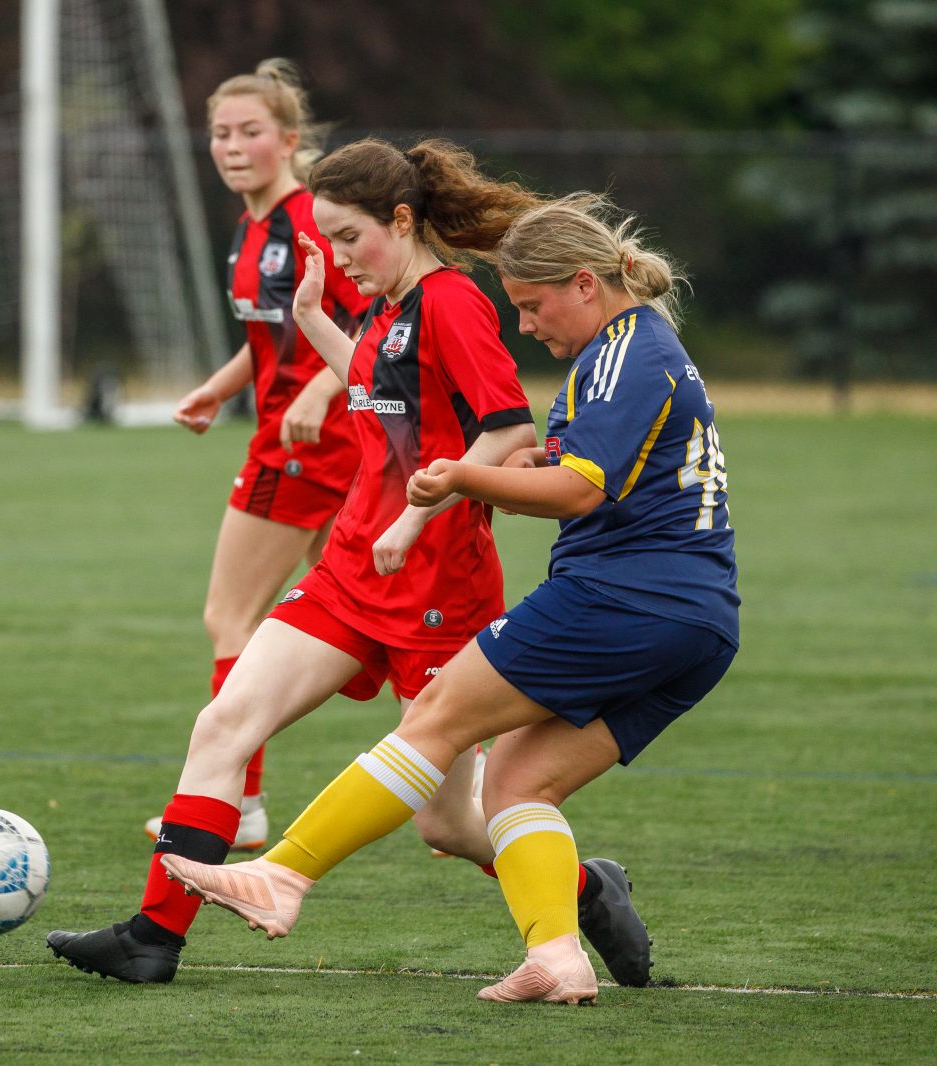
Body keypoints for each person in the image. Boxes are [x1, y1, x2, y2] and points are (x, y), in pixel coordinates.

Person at [48, 138, 646, 987]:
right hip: (348, 575)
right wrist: (317, 323)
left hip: (440, 588)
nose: (338, 257)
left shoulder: (452, 302)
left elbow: (509, 427)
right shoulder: (391, 307)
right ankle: (153, 936)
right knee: (224, 724)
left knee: (451, 826)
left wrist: (414, 516)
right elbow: (381, 395)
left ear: (401, 222)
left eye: (349, 238)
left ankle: (586, 890)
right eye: (323, 240)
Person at [162, 192, 738, 1005]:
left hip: (621, 599)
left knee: (432, 721)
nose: (528, 326)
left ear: (583, 283)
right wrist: (522, 472)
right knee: (515, 784)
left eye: (533, 308)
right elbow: (591, 481)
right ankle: (559, 958)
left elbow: (581, 493)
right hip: (701, 623)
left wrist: (465, 475)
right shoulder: (640, 349)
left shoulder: (622, 353)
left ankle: (284, 873)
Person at [145, 59, 370, 851]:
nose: (231, 146)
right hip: (297, 437)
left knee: (229, 616)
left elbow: (372, 315)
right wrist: (220, 386)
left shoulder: (309, 219)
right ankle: (448, 762)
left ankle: (237, 799)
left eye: (249, 133)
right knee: (360, 609)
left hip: (307, 446)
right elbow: (273, 336)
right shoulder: (251, 226)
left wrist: (319, 392)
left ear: (289, 140)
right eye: (219, 133)